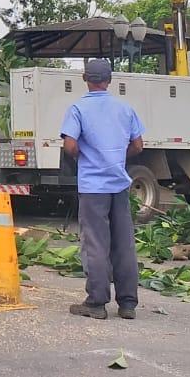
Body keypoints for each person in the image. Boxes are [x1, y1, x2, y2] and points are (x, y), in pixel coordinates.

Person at [60, 58, 145, 320]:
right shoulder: (125, 108)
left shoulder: (77, 108)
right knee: (124, 243)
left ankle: (96, 303)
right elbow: (138, 145)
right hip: (119, 184)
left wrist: (84, 156)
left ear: (85, 79)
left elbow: (70, 146)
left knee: (96, 243)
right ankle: (128, 303)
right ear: (109, 80)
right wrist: (116, 158)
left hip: (93, 186)